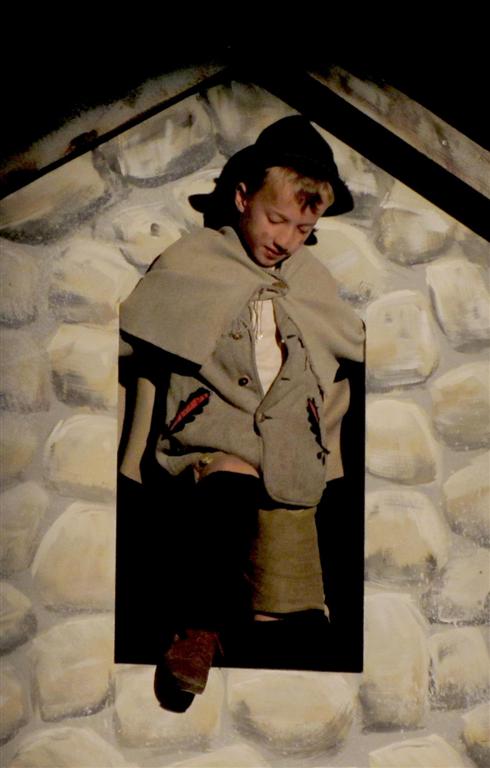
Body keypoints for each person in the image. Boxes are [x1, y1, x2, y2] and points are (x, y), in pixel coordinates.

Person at [115, 115, 365, 712]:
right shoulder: (200, 257)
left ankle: (271, 691)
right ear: (242, 197)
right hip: (213, 430)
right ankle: (196, 630)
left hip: (286, 450)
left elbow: (344, 340)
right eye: (276, 219)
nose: (286, 239)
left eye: (303, 229)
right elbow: (143, 325)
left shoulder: (309, 278)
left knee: (288, 593)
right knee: (229, 484)